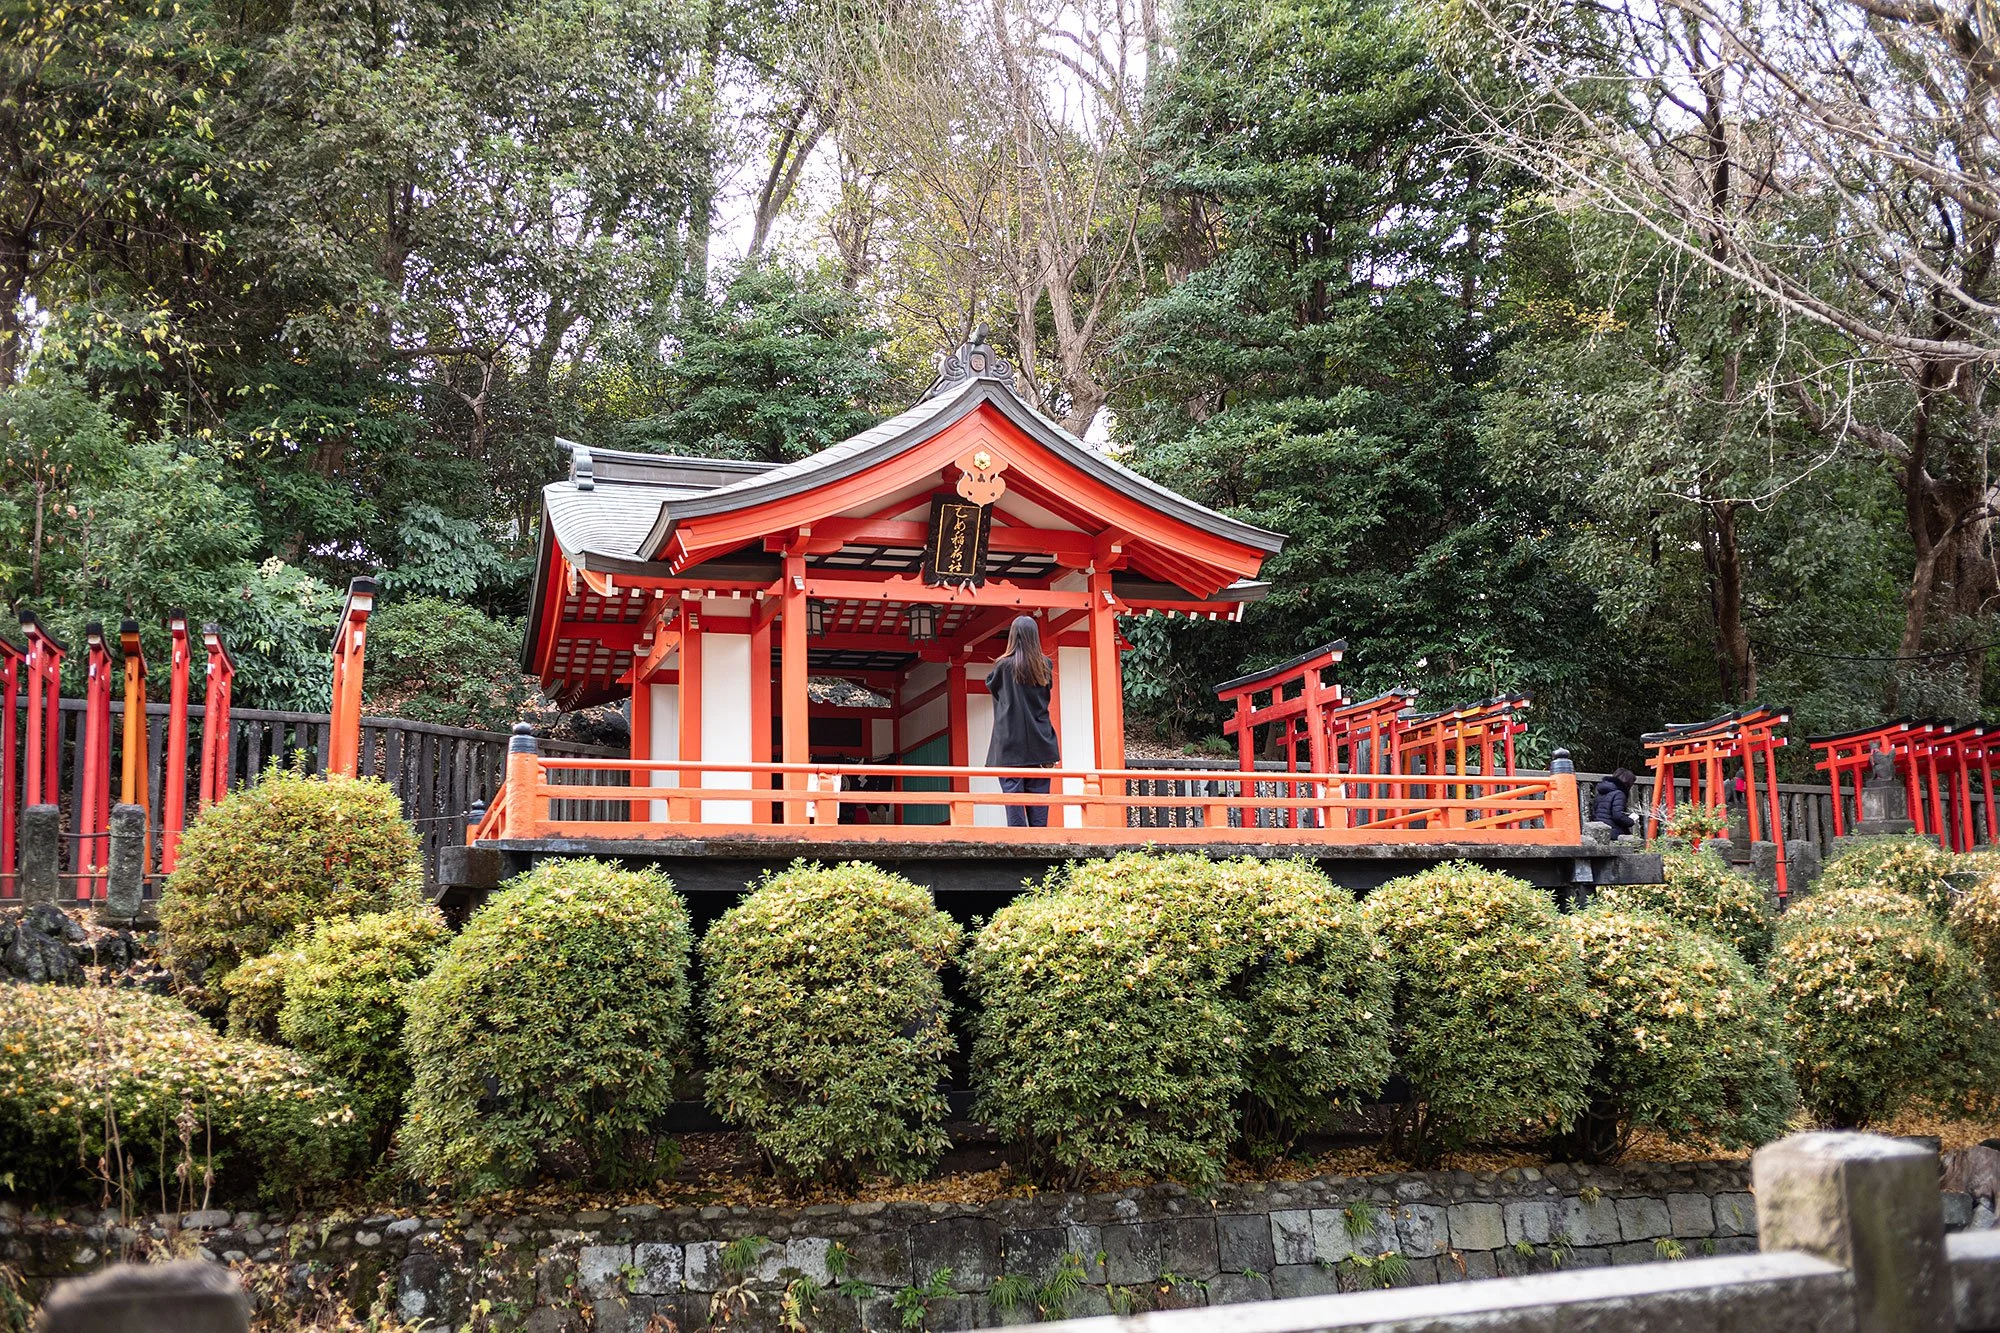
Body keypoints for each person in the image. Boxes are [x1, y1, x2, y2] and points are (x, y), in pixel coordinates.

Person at [985, 615, 1061, 827]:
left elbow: (992, 686)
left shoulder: (1003, 666)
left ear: (1013, 636)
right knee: (1039, 801)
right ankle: (1040, 847)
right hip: (1040, 741)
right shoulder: (1045, 665)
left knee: (1014, 801)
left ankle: (1017, 849)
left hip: (1010, 744)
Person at [1591, 766, 1636, 835]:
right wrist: (1631, 821)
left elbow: (1594, 813)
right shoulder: (1619, 794)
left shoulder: (1601, 792)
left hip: (1600, 830)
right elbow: (1617, 816)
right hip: (1613, 831)